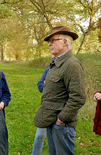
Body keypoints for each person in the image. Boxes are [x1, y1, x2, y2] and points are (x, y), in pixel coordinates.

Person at [34, 26, 86, 155]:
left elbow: (78, 97)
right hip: (52, 122)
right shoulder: (57, 63)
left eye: (53, 40)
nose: (49, 44)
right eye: (48, 41)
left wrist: (60, 121)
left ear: (64, 42)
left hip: (62, 126)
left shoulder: (72, 64)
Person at [31, 67, 49, 155]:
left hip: (59, 111)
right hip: (46, 109)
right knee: (39, 136)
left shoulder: (66, 69)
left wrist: (47, 84)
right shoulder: (48, 70)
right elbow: (40, 85)